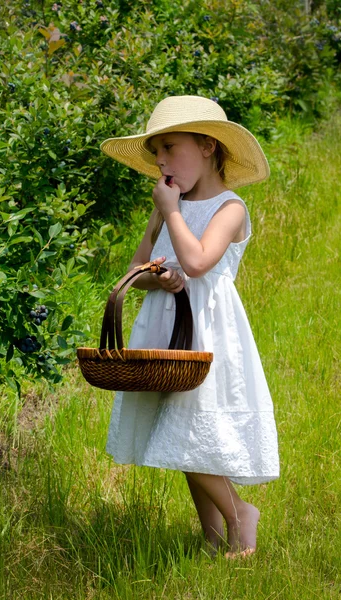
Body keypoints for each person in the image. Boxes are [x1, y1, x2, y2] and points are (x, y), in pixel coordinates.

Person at [100, 95, 279, 559]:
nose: (161, 161)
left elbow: (198, 261)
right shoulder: (167, 204)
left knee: (189, 432)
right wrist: (158, 275)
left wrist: (172, 212)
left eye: (170, 148)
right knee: (179, 435)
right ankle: (213, 536)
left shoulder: (229, 208)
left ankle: (241, 514)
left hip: (209, 333)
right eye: (156, 151)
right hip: (167, 328)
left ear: (207, 146)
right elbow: (136, 270)